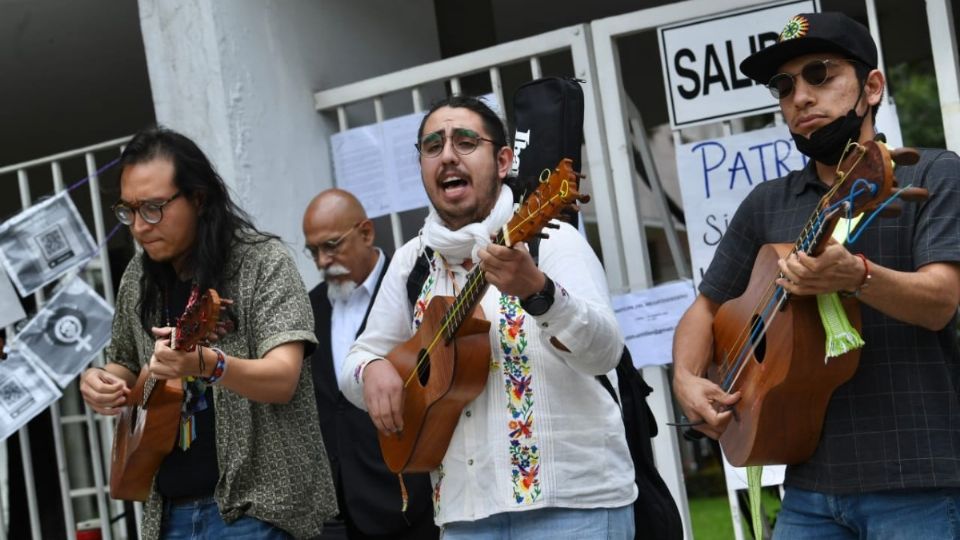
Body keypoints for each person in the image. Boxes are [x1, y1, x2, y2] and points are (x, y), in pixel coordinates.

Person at [672, 11, 960, 539]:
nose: (800, 96)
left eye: (819, 74)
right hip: (808, 482)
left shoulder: (933, 173)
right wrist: (686, 380)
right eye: (784, 86)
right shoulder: (767, 203)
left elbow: (942, 301)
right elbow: (705, 308)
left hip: (916, 480)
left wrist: (857, 276)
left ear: (872, 86)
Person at [338, 95, 636, 538]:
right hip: (464, 516)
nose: (448, 156)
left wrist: (539, 293)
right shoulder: (411, 263)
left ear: (502, 161)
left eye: (465, 142)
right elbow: (357, 359)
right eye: (432, 146)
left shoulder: (547, 242)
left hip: (572, 508)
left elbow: (605, 353)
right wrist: (372, 370)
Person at [79, 126, 337, 539]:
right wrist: (99, 382)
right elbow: (125, 362)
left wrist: (208, 364)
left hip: (257, 510)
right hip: (167, 514)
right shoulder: (138, 278)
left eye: (154, 208)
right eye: (128, 211)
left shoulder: (262, 263)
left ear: (198, 198)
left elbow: (284, 378)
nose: (140, 226)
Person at [302, 189, 438, 539]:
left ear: (366, 233)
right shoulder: (309, 307)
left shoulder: (413, 286)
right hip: (340, 511)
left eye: (331, 245)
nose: (321, 260)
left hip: (410, 497)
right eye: (313, 250)